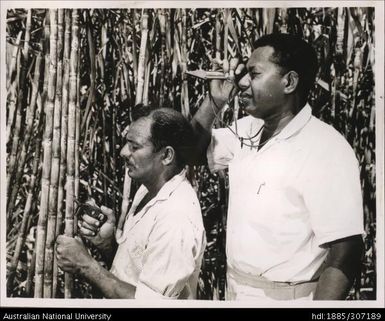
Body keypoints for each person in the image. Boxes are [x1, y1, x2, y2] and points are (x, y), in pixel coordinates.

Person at [191, 33, 364, 300]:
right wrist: (214, 102)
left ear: (289, 82)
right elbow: (189, 153)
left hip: (289, 298)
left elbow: (345, 253)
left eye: (254, 74)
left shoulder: (327, 149)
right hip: (235, 290)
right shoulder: (246, 130)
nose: (242, 83)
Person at [56, 108, 206, 299]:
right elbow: (138, 272)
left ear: (167, 156)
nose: (123, 152)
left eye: (134, 147)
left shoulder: (176, 218)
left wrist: (86, 266)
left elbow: (151, 304)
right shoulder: (148, 189)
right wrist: (108, 244)